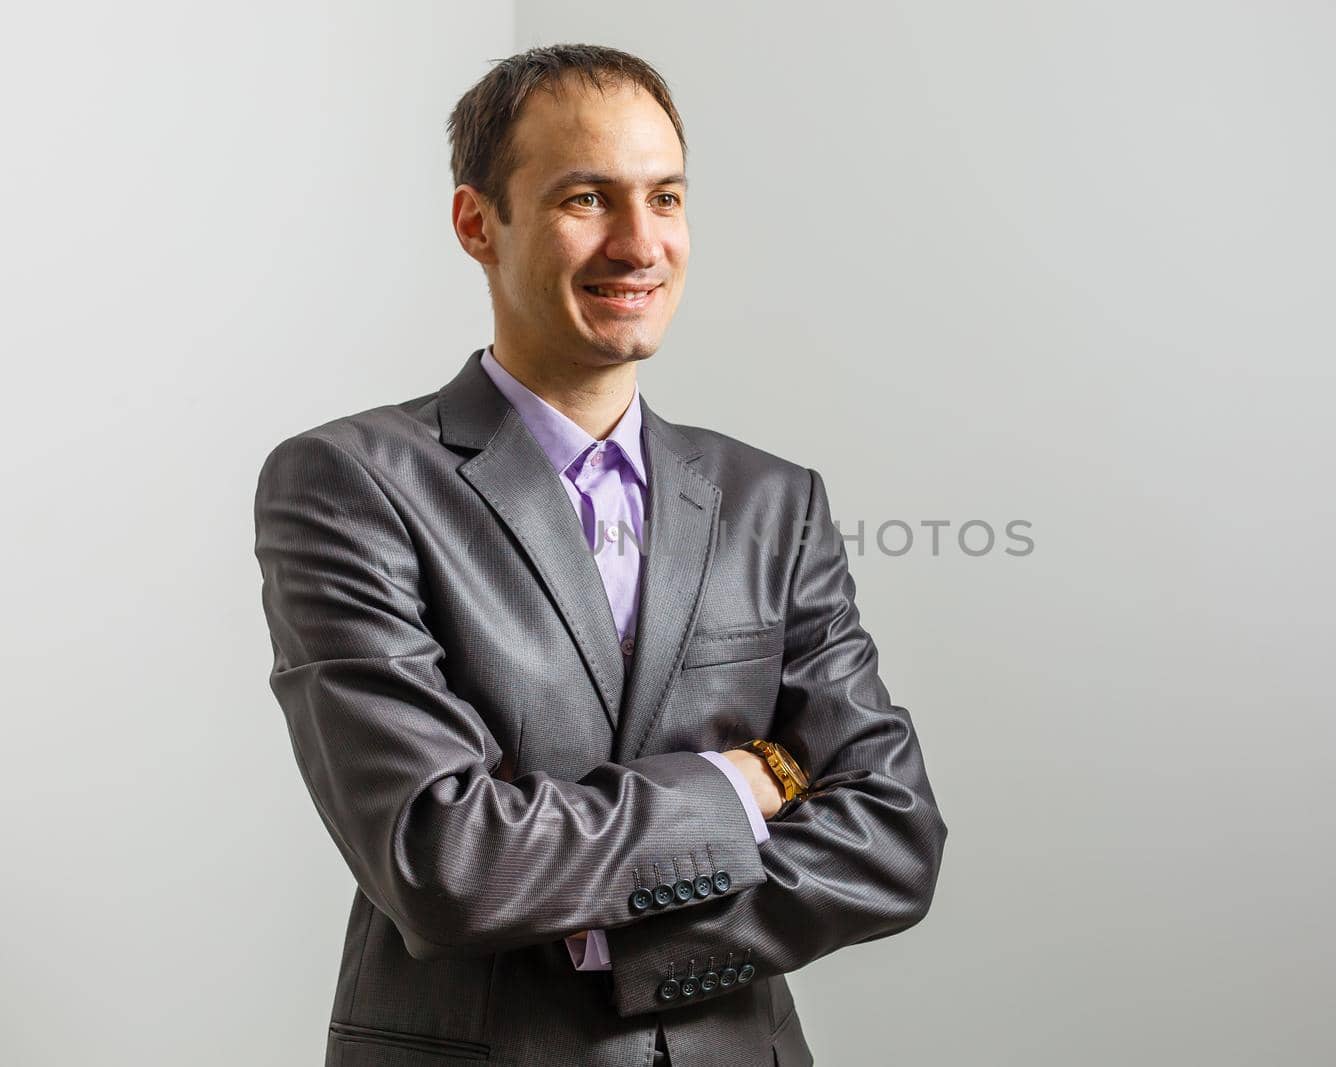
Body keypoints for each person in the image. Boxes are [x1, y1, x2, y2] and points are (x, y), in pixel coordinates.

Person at [252, 43, 946, 1067]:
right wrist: (736, 780)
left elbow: (892, 837)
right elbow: (444, 859)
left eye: (665, 197)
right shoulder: (349, 482)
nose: (639, 243)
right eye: (587, 197)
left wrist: (632, 948)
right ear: (476, 222)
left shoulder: (770, 500)